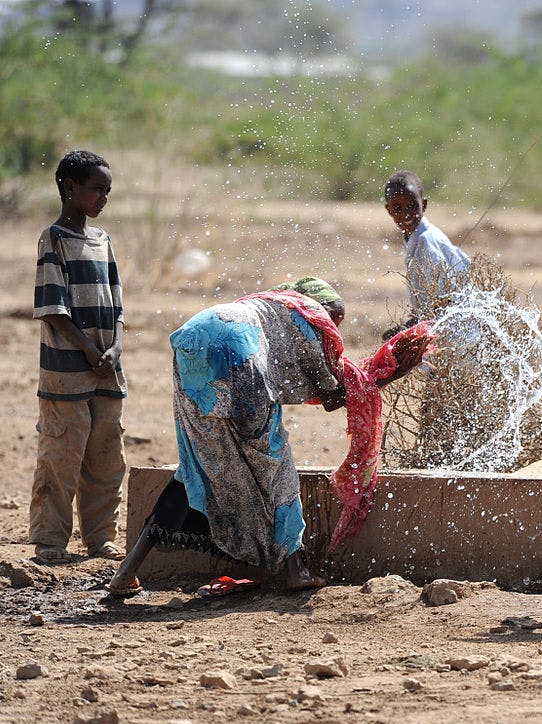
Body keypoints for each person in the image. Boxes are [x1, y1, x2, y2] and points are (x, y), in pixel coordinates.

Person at [107, 277, 432, 596]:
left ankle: (126, 573)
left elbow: (328, 387)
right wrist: (389, 370)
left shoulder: (268, 307)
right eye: (335, 316)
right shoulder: (311, 317)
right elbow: (333, 396)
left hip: (193, 341)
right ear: (320, 306)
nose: (335, 327)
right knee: (275, 462)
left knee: (196, 464)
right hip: (239, 354)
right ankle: (297, 569)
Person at [30, 150, 127, 565]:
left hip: (107, 369)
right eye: (96, 190)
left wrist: (115, 347)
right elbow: (53, 307)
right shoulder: (53, 239)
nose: (103, 198)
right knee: (61, 456)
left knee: (106, 457)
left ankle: (101, 538)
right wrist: (89, 350)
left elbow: (117, 304)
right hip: (67, 371)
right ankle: (50, 541)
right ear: (70, 189)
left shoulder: (102, 241)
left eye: (108, 191)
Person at [382, 170, 471, 339]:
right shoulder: (414, 237)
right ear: (389, 210)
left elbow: (441, 302)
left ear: (424, 204)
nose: (405, 214)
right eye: (397, 208)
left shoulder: (426, 241)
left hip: (457, 328)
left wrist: (410, 328)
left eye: (412, 206)